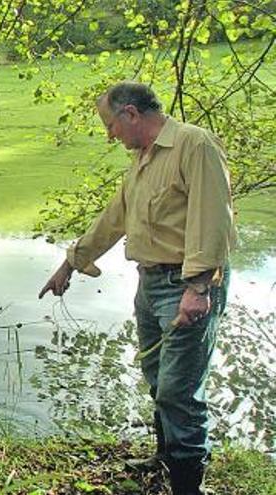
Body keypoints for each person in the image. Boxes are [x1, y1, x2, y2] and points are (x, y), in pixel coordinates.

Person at [38, 82, 235, 495]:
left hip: (187, 284)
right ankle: (166, 458)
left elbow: (213, 220)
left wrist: (198, 287)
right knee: (157, 379)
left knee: (178, 391)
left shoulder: (193, 145)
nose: (110, 135)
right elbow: (115, 218)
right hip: (149, 284)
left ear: (130, 114)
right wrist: (69, 263)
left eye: (110, 125)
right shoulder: (143, 160)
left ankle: (187, 487)